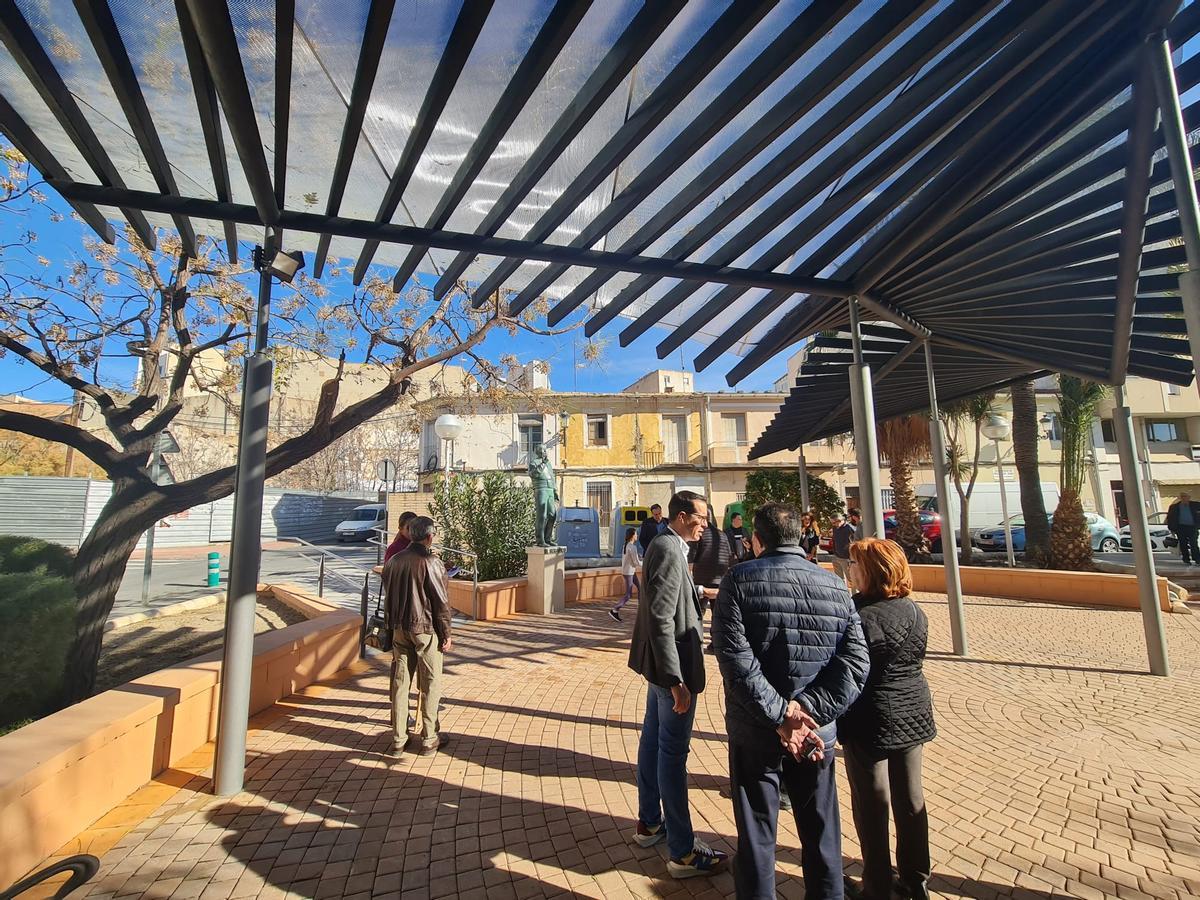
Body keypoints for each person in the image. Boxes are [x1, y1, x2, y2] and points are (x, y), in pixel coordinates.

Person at [711, 502, 870, 900]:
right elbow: (855, 663)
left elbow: (735, 660)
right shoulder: (835, 585)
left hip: (757, 731)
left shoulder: (738, 581)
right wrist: (807, 713)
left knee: (758, 833)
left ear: (757, 539)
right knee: (821, 829)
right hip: (816, 735)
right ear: (799, 538)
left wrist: (785, 715)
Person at [628, 491, 727, 878]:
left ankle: (650, 822)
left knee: (652, 743)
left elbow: (665, 596)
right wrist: (676, 682)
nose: (705, 523)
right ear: (683, 516)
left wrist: (700, 592)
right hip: (673, 673)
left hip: (658, 670)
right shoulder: (670, 548)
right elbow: (661, 618)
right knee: (672, 754)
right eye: (701, 518)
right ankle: (683, 852)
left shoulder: (668, 544)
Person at [839, 538, 936, 900]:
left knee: (871, 803)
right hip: (912, 711)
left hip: (872, 717)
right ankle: (915, 880)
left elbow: (850, 669)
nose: (850, 570)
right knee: (910, 800)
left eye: (855, 565)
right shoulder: (913, 610)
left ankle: (877, 885)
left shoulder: (861, 617)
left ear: (871, 572)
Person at [382, 516, 452, 757]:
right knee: (431, 682)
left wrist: (391, 628)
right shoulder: (431, 562)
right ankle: (429, 737)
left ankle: (399, 738)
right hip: (425, 629)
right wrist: (446, 634)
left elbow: (388, 596)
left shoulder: (393, 561)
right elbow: (440, 602)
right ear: (429, 536)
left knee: (400, 683)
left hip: (400, 629)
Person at [610, 527, 641, 621]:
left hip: (628, 571)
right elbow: (637, 563)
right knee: (628, 595)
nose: (637, 535)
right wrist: (646, 562)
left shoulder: (626, 545)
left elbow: (632, 561)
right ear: (632, 536)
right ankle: (614, 610)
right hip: (629, 573)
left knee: (640, 588)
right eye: (636, 534)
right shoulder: (632, 547)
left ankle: (641, 610)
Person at [1166, 492, 1200, 567]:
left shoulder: (1196, 505)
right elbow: (1170, 518)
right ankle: (1186, 559)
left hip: (1192, 527)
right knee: (1183, 543)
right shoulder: (1174, 507)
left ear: (1189, 497)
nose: (1184, 498)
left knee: (1193, 543)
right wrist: (1171, 528)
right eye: (1182, 496)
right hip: (1180, 527)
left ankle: (1197, 559)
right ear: (1180, 498)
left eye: (1185, 496)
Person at [832, 509, 860, 588]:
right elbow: (834, 539)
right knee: (839, 580)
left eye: (835, 522)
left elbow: (855, 542)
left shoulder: (849, 528)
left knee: (852, 580)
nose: (834, 524)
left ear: (840, 520)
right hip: (837, 556)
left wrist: (851, 557)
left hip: (846, 558)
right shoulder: (835, 528)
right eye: (832, 523)